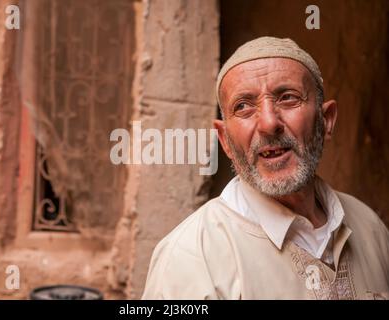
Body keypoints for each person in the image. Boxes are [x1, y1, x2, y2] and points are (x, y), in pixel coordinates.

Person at [142, 36, 389, 300]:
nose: (269, 123)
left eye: (287, 98)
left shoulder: (370, 228)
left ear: (325, 120)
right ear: (224, 140)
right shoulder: (192, 256)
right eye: (244, 107)